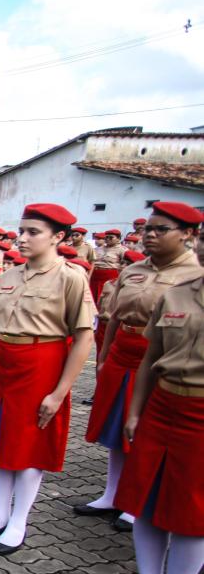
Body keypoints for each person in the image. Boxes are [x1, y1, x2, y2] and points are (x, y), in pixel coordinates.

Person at [0, 204, 94, 555]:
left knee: (30, 443)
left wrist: (60, 392)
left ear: (58, 237)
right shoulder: (10, 276)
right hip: (5, 361)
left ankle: (19, 521)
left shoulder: (70, 277)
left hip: (41, 362)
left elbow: (83, 337)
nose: (23, 238)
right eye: (23, 230)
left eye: (34, 232)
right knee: (3, 439)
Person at [107, 201, 204, 574]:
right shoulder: (178, 294)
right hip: (163, 403)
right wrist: (135, 410)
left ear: (188, 236)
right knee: (144, 498)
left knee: (189, 511)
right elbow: (151, 359)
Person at [79, 202, 203, 526]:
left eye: (161, 229)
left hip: (159, 359)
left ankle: (139, 501)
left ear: (188, 234)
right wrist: (103, 358)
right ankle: (113, 493)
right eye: (148, 228)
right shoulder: (134, 270)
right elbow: (117, 317)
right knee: (116, 425)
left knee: (146, 434)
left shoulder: (193, 275)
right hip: (123, 351)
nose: (149, 235)